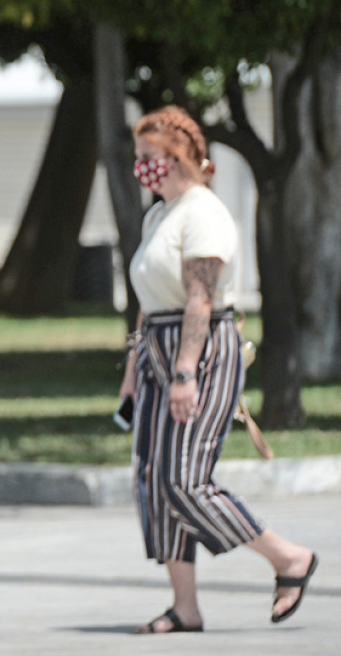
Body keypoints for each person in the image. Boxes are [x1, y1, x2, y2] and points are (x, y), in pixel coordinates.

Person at [120, 105, 318, 634]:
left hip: (201, 350)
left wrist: (185, 371)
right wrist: (133, 367)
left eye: (147, 157)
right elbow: (146, 300)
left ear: (176, 155)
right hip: (157, 349)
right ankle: (184, 607)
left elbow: (200, 299)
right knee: (154, 483)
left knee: (183, 481)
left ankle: (288, 558)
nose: (140, 166)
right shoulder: (159, 213)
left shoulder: (202, 212)